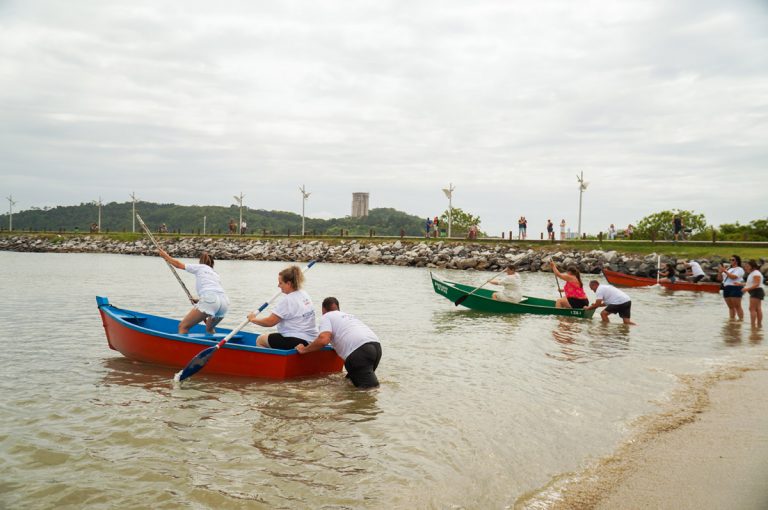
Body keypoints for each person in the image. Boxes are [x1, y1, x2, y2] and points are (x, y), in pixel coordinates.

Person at [297, 297, 382, 388]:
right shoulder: (348, 316)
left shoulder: (327, 316)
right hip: (376, 347)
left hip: (359, 351)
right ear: (338, 308)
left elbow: (323, 339)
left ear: (323, 309)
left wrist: (304, 350)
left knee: (369, 390)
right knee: (350, 383)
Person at [158, 249, 229, 334]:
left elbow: (178, 265)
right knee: (209, 329)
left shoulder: (201, 267)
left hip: (210, 300)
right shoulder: (215, 274)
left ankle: (183, 347)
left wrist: (165, 256)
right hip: (224, 302)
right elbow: (215, 293)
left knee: (183, 326)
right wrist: (200, 301)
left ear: (200, 261)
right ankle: (214, 344)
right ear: (212, 263)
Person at [248, 265, 318, 349]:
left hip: (297, 340)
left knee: (260, 340)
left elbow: (270, 322)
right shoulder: (304, 293)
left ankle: (272, 361)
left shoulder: (287, 300)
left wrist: (253, 319)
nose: (278, 286)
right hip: (312, 339)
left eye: (281, 283)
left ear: (288, 283)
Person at [718, 255, 745, 320]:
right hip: (726, 288)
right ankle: (732, 321)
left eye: (733, 260)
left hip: (735, 288)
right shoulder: (728, 269)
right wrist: (720, 272)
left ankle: (741, 321)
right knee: (730, 307)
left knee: (737, 306)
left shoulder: (739, 269)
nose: (731, 261)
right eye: (730, 260)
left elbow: (733, 277)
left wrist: (725, 271)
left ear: (737, 261)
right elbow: (719, 279)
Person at [741, 259, 764, 328]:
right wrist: (740, 284)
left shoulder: (756, 273)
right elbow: (751, 283)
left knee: (752, 309)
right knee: (757, 308)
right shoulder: (754, 273)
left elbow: (756, 284)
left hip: (756, 291)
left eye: (747, 266)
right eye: (745, 266)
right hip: (757, 291)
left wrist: (746, 289)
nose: (746, 268)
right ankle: (758, 325)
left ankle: (753, 325)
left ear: (752, 266)